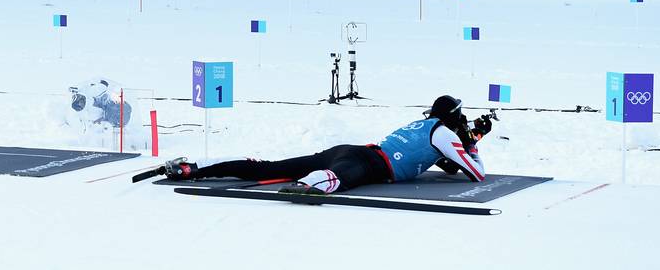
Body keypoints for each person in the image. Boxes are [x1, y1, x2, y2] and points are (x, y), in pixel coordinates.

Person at [164, 95, 492, 194]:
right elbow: (474, 173)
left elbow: (447, 164)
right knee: (342, 178)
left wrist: (469, 138)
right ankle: (313, 185)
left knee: (268, 168)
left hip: (352, 150)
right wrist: (474, 141)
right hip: (370, 164)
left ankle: (194, 169)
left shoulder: (422, 124)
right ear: (453, 117)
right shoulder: (445, 134)